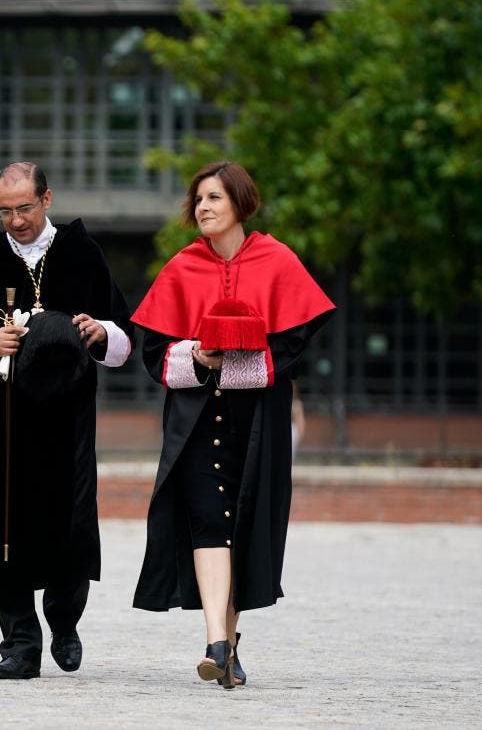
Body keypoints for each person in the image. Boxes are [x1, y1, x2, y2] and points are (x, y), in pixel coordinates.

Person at [130, 160, 334, 688]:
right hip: (195, 419)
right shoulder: (180, 267)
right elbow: (154, 353)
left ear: (240, 203)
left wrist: (238, 364)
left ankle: (229, 643)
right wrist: (201, 358)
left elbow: (294, 343)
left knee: (241, 524)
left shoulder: (277, 259)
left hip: (258, 417)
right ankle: (215, 642)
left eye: (215, 198)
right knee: (209, 523)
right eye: (198, 200)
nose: (204, 208)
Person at [0, 161, 133, 679]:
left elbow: (125, 335)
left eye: (24, 208)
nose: (16, 220)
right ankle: (20, 642)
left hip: (68, 418)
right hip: (2, 420)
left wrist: (99, 332)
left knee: (72, 518)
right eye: (5, 211)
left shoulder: (82, 253)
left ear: (48, 199)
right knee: (2, 524)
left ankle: (64, 622)